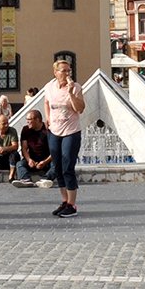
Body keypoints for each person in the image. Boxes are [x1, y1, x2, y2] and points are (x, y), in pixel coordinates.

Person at [47, 58, 86, 218]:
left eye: (69, 70)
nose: (67, 73)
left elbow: (80, 108)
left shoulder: (76, 87)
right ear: (56, 72)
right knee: (57, 169)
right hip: (54, 132)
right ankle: (64, 201)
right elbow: (46, 102)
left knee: (67, 168)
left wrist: (70, 93)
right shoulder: (49, 87)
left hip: (71, 131)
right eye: (64, 70)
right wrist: (48, 119)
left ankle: (72, 204)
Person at [13, 108, 56, 186]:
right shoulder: (26, 129)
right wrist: (29, 160)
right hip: (32, 160)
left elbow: (55, 150)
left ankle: (45, 179)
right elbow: (24, 148)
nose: (27, 122)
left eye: (29, 119)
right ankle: (25, 179)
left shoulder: (48, 130)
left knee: (57, 164)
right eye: (27, 119)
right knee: (20, 164)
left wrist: (45, 162)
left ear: (37, 120)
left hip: (47, 160)